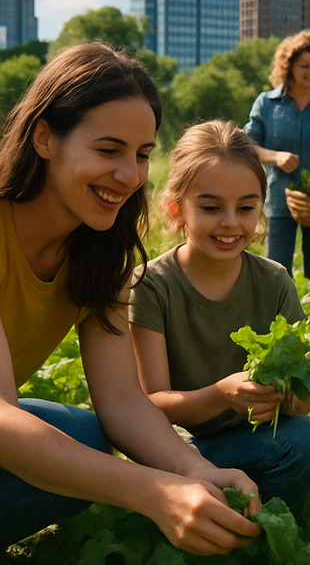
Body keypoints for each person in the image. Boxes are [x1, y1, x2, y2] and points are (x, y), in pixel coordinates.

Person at [0, 44, 261, 555]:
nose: (129, 175)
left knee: (86, 435)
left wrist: (198, 472)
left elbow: (121, 397)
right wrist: (152, 492)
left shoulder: (102, 249)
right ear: (45, 137)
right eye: (108, 149)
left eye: (142, 154)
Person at [129, 120, 310, 508]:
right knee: (169, 468)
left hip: (253, 440)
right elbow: (150, 403)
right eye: (210, 207)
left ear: (261, 208)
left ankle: (250, 516)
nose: (230, 222)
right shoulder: (151, 285)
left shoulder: (274, 280)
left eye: (246, 208)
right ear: (176, 209)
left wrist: (282, 399)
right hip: (175, 447)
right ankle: (199, 504)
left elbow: (307, 398)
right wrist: (223, 395)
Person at [244, 31, 310, 281]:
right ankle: (281, 317)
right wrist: (275, 156)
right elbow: (248, 144)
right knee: (277, 271)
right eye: (305, 66)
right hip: (280, 197)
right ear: (288, 66)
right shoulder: (267, 103)